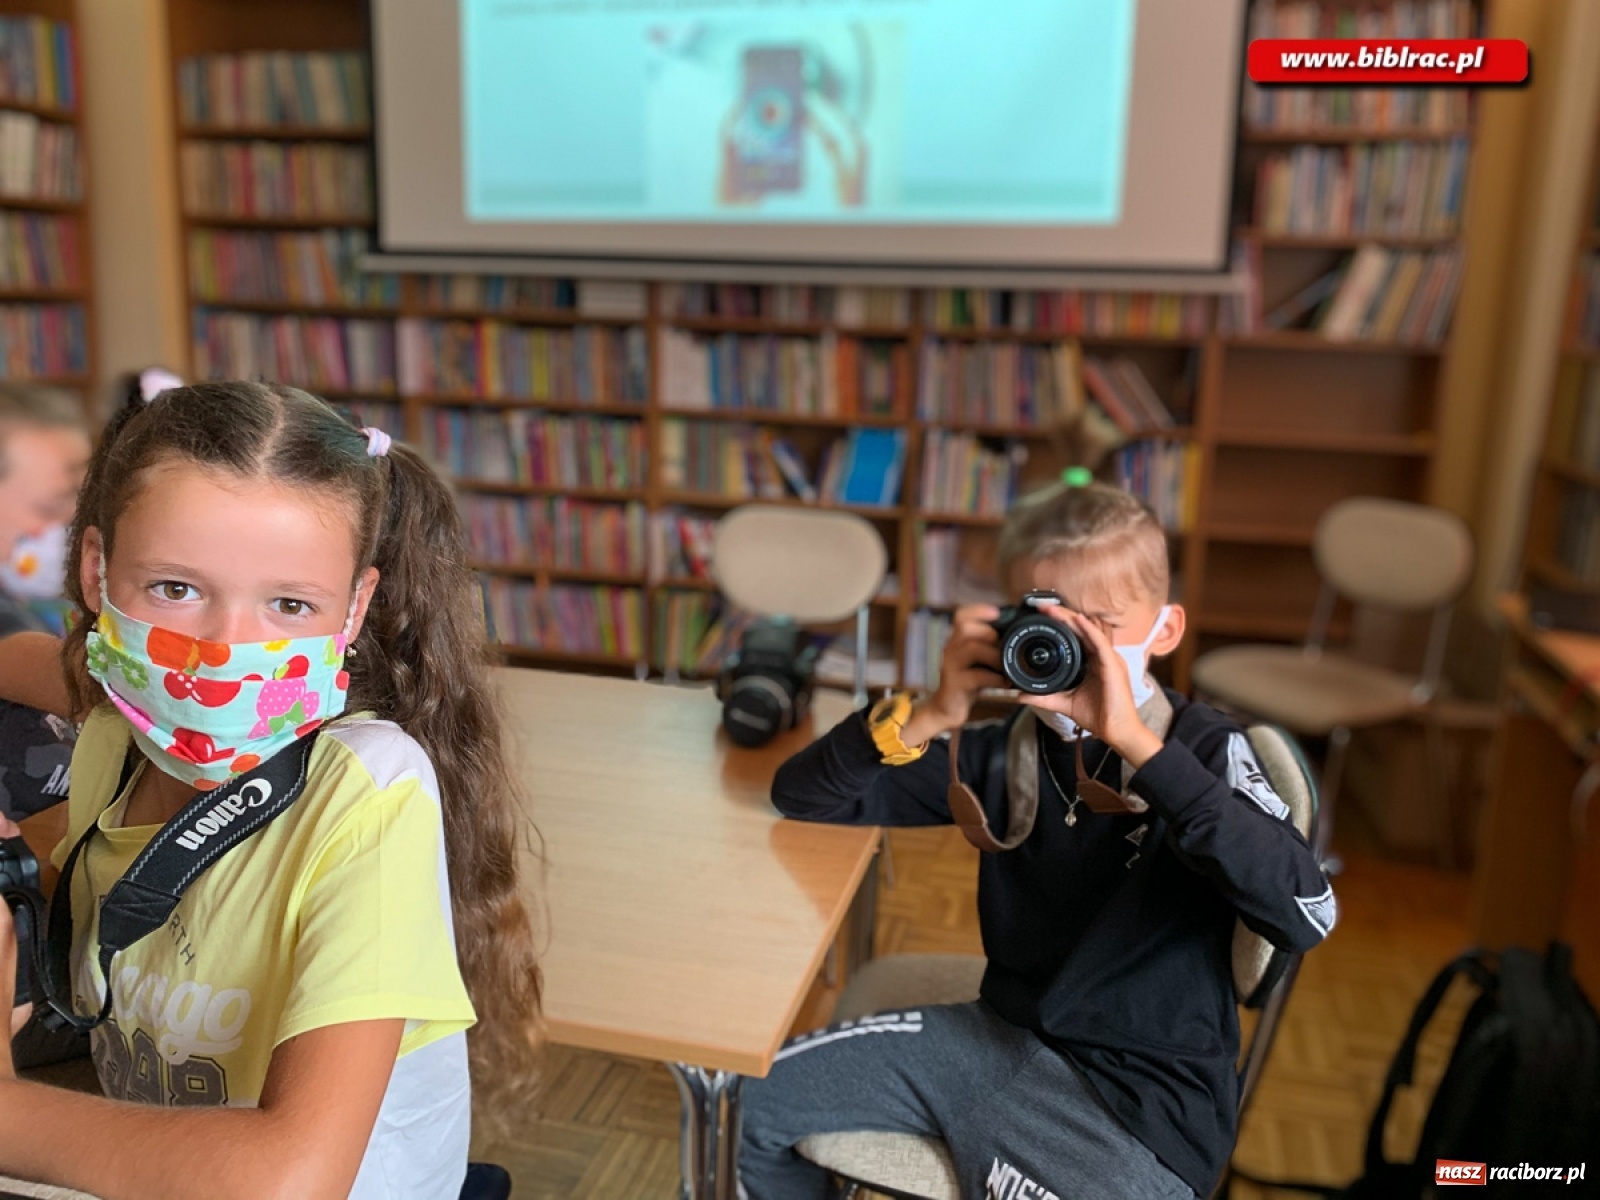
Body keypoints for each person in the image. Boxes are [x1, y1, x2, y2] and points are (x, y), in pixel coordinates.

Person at [0, 380, 542, 1199]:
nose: (221, 654)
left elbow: (290, 1181)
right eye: (176, 589)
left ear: (354, 607)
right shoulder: (122, 715)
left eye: (290, 604)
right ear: (97, 569)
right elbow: (35, 662)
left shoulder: (370, 791)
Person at [738, 478, 1336, 1200]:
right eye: (1053, 626)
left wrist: (1143, 750)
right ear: (1012, 626)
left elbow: (1307, 913)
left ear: (1165, 629)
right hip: (990, 1042)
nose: (1078, 651)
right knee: (744, 1107)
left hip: (1136, 1112)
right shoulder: (1005, 754)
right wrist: (932, 711)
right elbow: (802, 796)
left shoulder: (1203, 753)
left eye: (1105, 627)